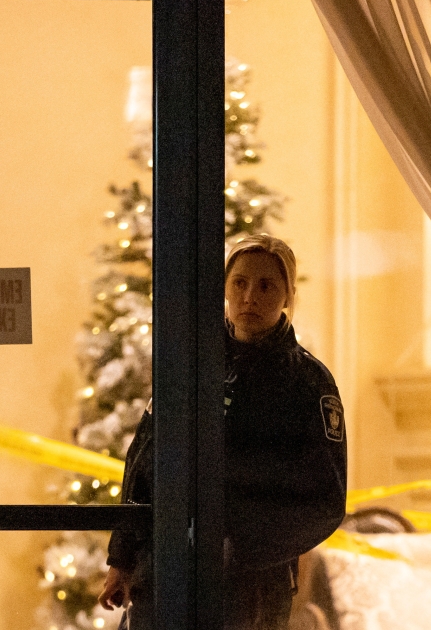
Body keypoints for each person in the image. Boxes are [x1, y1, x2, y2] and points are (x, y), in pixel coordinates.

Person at [99, 234, 348, 630]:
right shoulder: (189, 365)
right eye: (240, 283)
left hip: (252, 589)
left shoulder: (307, 382)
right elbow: (143, 463)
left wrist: (243, 545)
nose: (250, 296)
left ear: (287, 296)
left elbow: (325, 502)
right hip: (164, 573)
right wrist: (122, 561)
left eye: (266, 285)